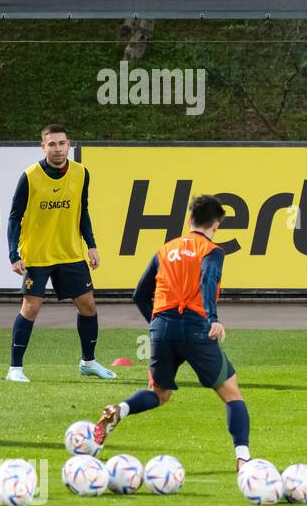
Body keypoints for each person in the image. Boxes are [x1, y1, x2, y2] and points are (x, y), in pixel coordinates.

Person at [92, 195, 255, 472]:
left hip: (162, 327)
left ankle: (120, 410)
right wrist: (213, 319)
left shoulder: (165, 249)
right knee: (232, 394)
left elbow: (139, 294)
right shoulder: (212, 250)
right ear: (216, 225)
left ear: (190, 220)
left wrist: (157, 323)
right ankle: (244, 458)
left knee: (159, 393)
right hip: (195, 327)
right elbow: (208, 279)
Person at [6, 124, 116, 382]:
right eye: (52, 144)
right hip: (38, 254)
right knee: (31, 306)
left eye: (62, 143)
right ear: (43, 147)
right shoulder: (30, 176)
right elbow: (14, 217)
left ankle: (88, 362)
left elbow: (83, 210)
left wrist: (91, 244)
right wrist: (14, 254)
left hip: (70, 253)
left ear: (69, 145)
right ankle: (15, 369)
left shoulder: (81, 173)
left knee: (88, 305)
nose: (57, 149)